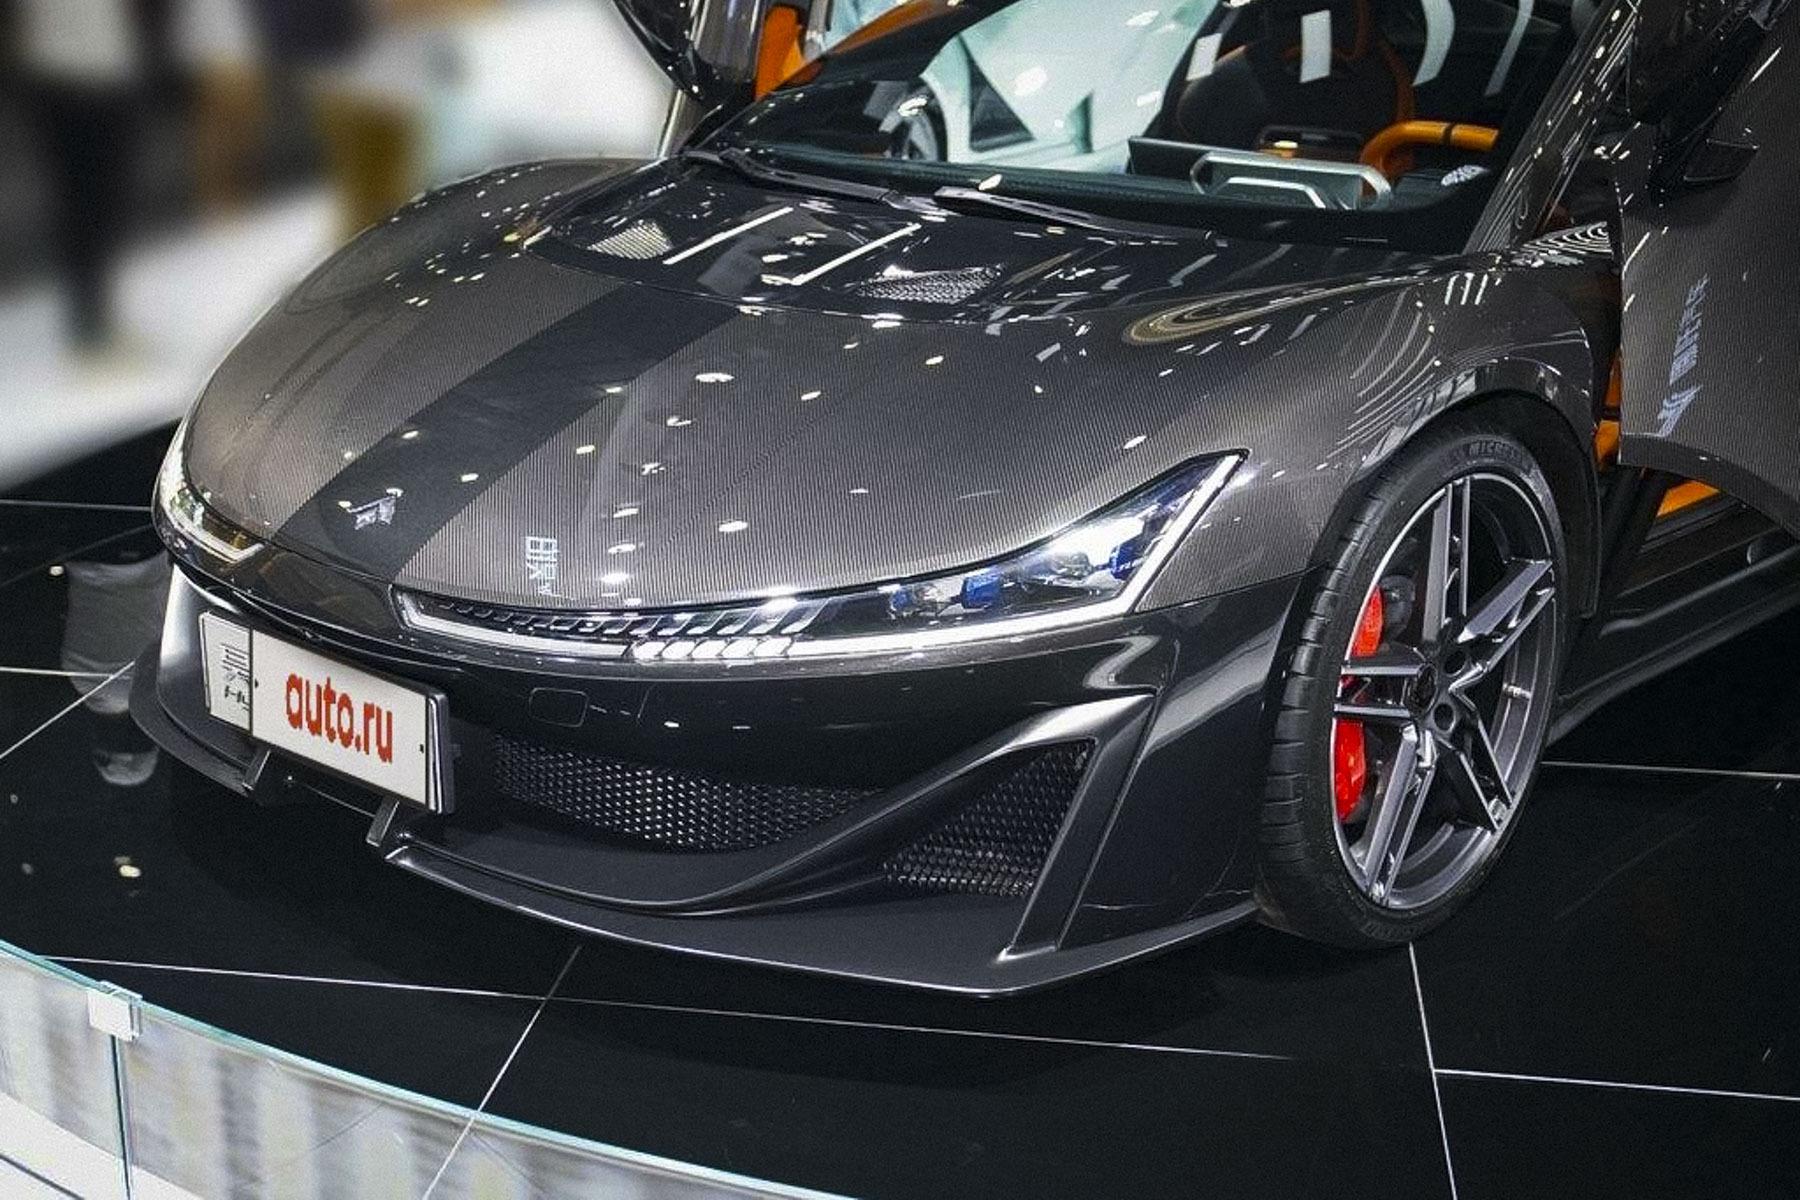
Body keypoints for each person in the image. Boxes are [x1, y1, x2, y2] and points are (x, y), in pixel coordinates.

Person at [12, 0, 173, 356]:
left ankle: (97, 312)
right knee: (79, 200)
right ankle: (87, 320)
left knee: (109, 198)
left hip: (113, 72)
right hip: (60, 77)